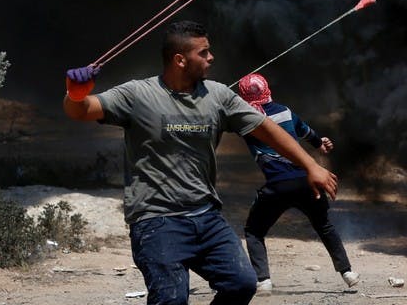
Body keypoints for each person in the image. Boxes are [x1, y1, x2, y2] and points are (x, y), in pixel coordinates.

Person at [62, 20, 338, 305]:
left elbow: (266, 129)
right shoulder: (137, 95)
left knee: (242, 284)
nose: (211, 58)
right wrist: (77, 92)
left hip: (206, 217)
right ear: (180, 59)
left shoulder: (218, 96)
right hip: (156, 221)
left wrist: (310, 165)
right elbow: (81, 110)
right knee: (171, 300)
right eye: (203, 52)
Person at [238, 73, 359, 293]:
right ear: (268, 90)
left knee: (254, 231)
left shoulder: (245, 120)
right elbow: (307, 132)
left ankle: (263, 280)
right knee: (324, 225)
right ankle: (347, 272)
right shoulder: (285, 111)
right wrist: (319, 144)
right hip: (306, 181)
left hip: (277, 187)